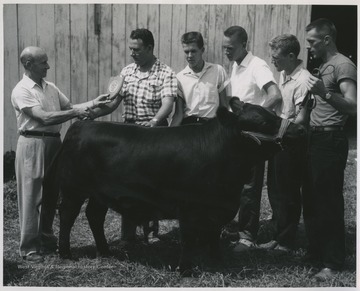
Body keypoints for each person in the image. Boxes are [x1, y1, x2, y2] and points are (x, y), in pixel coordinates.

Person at [11, 46, 110, 263]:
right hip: (32, 142)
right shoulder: (22, 90)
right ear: (28, 65)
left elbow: (72, 106)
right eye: (43, 62)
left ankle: (46, 242)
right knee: (31, 196)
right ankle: (29, 249)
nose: (48, 66)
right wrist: (76, 112)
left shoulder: (50, 87)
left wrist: (95, 102)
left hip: (55, 143)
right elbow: (44, 118)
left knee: (50, 195)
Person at [89, 28, 177, 241]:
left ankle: (151, 232)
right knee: (128, 185)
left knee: (152, 184)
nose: (132, 53)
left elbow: (168, 103)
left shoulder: (166, 72)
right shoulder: (127, 72)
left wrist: (154, 121)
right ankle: (128, 235)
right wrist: (90, 113)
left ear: (149, 48)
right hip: (129, 136)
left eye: (136, 49)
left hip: (154, 136)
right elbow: (112, 103)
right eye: (130, 49)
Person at [303, 18, 357, 281]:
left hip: (331, 141)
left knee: (328, 203)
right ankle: (315, 254)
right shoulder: (323, 65)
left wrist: (324, 93)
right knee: (312, 202)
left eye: (312, 42)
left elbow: (353, 106)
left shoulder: (343, 64)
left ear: (326, 39)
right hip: (314, 140)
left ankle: (333, 263)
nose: (308, 47)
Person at [222, 26, 282, 250]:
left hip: (252, 137)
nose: (226, 52)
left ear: (243, 45)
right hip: (236, 135)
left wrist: (254, 119)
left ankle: (247, 237)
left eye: (231, 48)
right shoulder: (235, 65)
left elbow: (275, 95)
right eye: (224, 48)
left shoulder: (257, 65)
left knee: (250, 185)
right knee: (234, 182)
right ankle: (235, 228)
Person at [258, 34, 311, 252]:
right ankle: (278, 236)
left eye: (276, 57)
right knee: (275, 189)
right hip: (278, 139)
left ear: (291, 56)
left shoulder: (304, 80)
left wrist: (279, 132)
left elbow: (300, 119)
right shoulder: (283, 73)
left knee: (288, 191)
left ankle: (287, 240)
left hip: (292, 142)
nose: (272, 61)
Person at [170, 31, 228, 126]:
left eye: (193, 51)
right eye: (186, 52)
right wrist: (169, 136)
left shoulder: (218, 71)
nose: (189, 56)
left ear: (202, 50)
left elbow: (224, 107)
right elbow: (178, 114)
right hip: (189, 127)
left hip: (211, 126)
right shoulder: (180, 77)